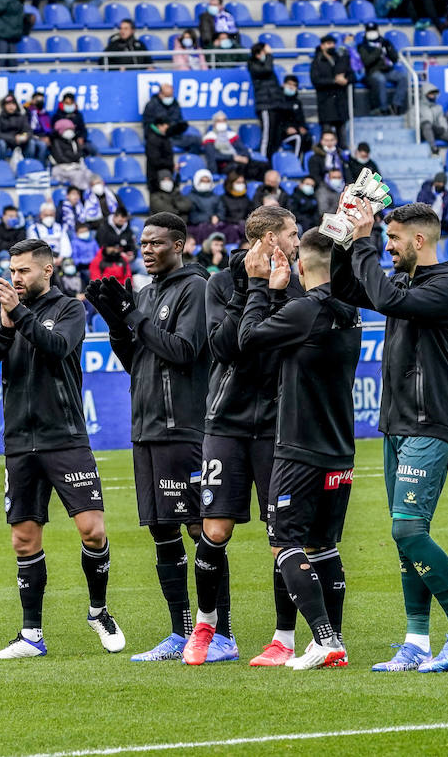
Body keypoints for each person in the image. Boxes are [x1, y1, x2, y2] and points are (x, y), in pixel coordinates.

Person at [327, 199, 448, 673]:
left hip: (429, 421)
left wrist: (362, 242)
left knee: (408, 529)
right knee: (405, 538)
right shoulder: (403, 279)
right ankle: (416, 640)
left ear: (419, 240)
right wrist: (343, 239)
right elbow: (343, 287)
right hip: (397, 423)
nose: (388, 246)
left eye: (393, 239)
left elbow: (388, 301)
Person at [0, 239, 125, 658]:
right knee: (24, 539)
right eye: (12, 270)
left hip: (66, 437)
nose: (16, 278)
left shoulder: (70, 310)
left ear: (47, 270)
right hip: (20, 443)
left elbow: (56, 346)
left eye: (24, 271)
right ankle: (31, 636)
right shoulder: (6, 315)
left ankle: (98, 611)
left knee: (92, 531)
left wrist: (16, 314)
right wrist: (5, 324)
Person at [231, 228, 361, 670]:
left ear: (301, 266)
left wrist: (260, 288)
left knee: (285, 543)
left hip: (299, 448)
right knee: (324, 546)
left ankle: (323, 638)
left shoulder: (304, 310)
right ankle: (334, 641)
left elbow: (247, 339)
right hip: (340, 449)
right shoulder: (351, 311)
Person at [182, 207, 304, 667]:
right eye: (292, 234)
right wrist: (253, 289)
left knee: (282, 537)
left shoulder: (298, 281)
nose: (297, 241)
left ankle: (284, 639)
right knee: (214, 530)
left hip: (278, 425)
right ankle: (208, 627)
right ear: (270, 239)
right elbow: (226, 346)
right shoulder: (220, 283)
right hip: (227, 423)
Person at [87, 212, 210, 662]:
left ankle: (218, 632)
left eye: (156, 243)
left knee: (201, 529)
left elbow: (183, 351)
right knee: (161, 531)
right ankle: (179, 633)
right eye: (143, 243)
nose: (146, 249)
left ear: (178, 245)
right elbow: (138, 362)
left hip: (183, 426)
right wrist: (118, 324)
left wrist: (133, 315)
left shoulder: (195, 288)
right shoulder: (146, 292)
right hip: (148, 428)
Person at [357, 24, 409, 116]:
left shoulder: (385, 42)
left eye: (374, 30)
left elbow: (395, 58)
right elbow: (366, 61)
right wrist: (378, 50)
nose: (372, 33)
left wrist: (389, 48)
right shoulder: (363, 46)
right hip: (373, 72)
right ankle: (383, 108)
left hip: (388, 70)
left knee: (403, 77)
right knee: (381, 80)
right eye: (369, 31)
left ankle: (396, 105)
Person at [311, 34, 353, 142]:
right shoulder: (317, 61)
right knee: (327, 137)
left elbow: (351, 74)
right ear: (322, 46)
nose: (332, 46)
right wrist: (334, 81)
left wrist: (346, 80)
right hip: (326, 104)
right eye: (329, 44)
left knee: (342, 139)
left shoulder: (340, 58)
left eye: (333, 44)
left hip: (340, 103)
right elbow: (316, 80)